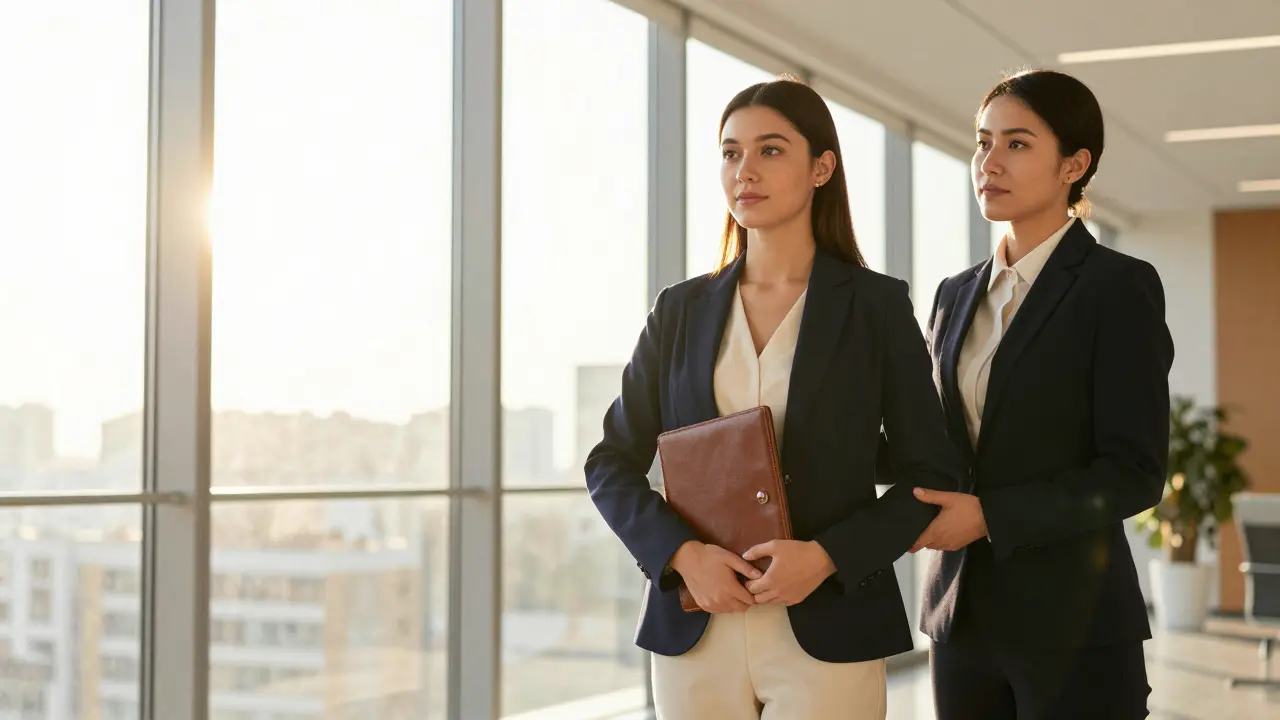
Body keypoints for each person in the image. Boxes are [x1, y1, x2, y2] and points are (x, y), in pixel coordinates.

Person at [584, 76, 961, 720]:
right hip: (696, 627)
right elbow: (609, 463)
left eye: (770, 150)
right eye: (730, 153)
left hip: (828, 626)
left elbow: (930, 475)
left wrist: (825, 558)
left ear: (822, 168)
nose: (744, 171)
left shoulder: (875, 307)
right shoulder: (679, 310)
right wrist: (681, 556)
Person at [909, 69, 1175, 719]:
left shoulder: (1117, 287)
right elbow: (938, 443)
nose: (989, 161)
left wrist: (990, 516)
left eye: (1017, 144)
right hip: (961, 619)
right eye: (982, 142)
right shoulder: (953, 294)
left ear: (1073, 165)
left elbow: (1133, 474)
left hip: (1074, 627)